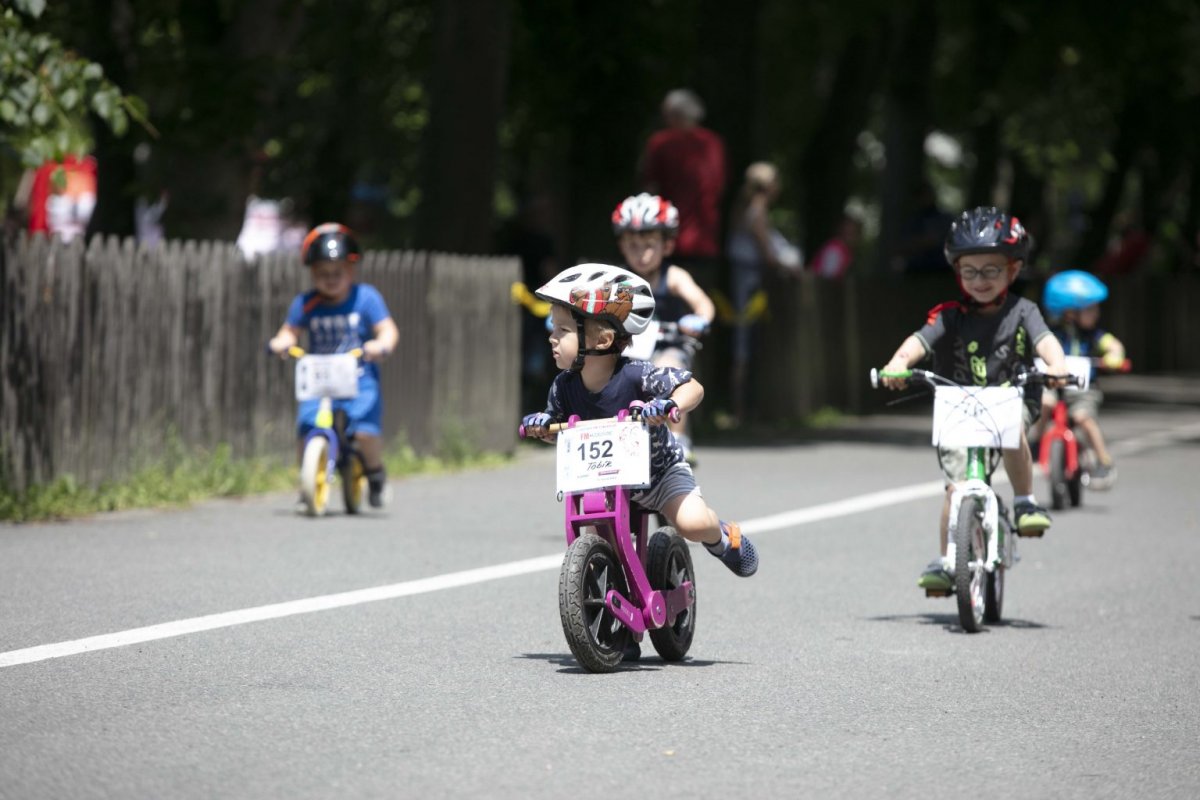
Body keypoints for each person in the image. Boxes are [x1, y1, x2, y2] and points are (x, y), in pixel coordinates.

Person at [521, 265, 759, 616]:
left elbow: (693, 387)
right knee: (604, 544)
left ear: (601, 340)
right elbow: (559, 429)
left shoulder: (636, 374)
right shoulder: (563, 387)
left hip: (659, 473)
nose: (551, 337)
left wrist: (670, 405)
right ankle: (619, 619)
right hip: (605, 480)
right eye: (553, 329)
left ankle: (723, 538)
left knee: (692, 523)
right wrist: (543, 426)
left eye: (563, 330)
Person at [878, 207, 1069, 592]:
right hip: (959, 405)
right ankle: (950, 561)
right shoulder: (949, 316)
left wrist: (1057, 364)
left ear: (1013, 270)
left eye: (991, 270)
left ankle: (1025, 501)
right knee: (955, 490)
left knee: (1010, 427)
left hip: (1011, 397)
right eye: (970, 271)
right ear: (957, 272)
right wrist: (897, 364)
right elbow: (919, 341)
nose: (979, 280)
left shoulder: (1023, 311)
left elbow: (1046, 342)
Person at [268, 223, 399, 508]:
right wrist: (281, 342)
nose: (330, 279)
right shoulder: (306, 303)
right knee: (307, 426)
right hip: (320, 378)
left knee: (363, 429)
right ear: (312, 272)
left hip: (358, 377)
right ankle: (307, 485)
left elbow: (387, 329)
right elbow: (289, 331)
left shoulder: (366, 298)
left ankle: (375, 472)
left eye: (337, 272)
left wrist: (381, 345)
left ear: (351, 270)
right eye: (322, 273)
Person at [611, 193, 715, 463]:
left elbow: (702, 302)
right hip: (627, 349)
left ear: (667, 246)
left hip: (668, 346)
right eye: (633, 245)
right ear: (622, 246)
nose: (641, 252)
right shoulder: (618, 280)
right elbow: (592, 301)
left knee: (668, 373)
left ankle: (679, 438)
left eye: (649, 244)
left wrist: (699, 318)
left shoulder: (674, 276)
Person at [725, 162, 801, 424]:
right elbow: (769, 255)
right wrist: (789, 266)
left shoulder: (745, 208)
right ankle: (741, 412)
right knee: (744, 345)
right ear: (768, 186)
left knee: (745, 344)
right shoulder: (757, 212)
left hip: (746, 282)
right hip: (748, 286)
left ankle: (743, 410)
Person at [1035, 269, 1126, 488]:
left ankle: (1103, 460)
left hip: (1083, 389)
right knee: (1043, 402)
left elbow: (1113, 345)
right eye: (1090, 309)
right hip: (1053, 385)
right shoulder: (1052, 334)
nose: (1096, 313)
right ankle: (1035, 444)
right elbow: (1038, 347)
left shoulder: (1094, 335)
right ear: (1070, 312)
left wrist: (1114, 356)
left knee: (1084, 417)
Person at [639, 89, 727, 291]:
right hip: (706, 239)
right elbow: (720, 186)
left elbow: (649, 189)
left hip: (667, 238)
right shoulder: (714, 143)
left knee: (664, 300)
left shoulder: (660, 142)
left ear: (673, 115)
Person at [809, 213, 861, 281]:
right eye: (848, 233)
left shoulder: (845, 251)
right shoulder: (835, 249)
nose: (851, 237)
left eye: (853, 233)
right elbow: (828, 275)